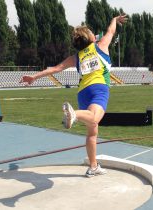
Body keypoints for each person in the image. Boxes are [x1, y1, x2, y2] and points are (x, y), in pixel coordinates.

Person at [20, 15, 128, 177]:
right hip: (99, 88)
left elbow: (55, 69)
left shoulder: (75, 58)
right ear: (91, 38)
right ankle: (74, 114)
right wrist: (114, 19)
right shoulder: (101, 46)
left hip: (83, 93)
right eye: (92, 32)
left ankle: (93, 166)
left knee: (92, 132)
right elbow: (110, 31)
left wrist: (34, 77)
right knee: (95, 118)